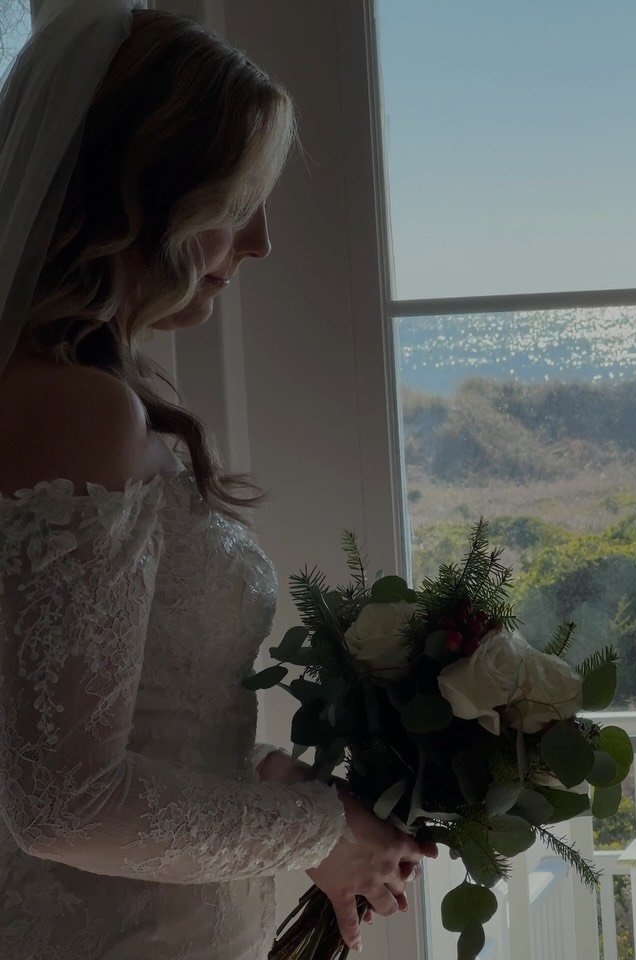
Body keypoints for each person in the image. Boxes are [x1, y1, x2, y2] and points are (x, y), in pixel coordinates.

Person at [0, 2, 437, 958]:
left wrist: (265, 781)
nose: (261, 241)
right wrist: (320, 832)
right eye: (237, 203)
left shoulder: (57, 397)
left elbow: (63, 728)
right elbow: (62, 804)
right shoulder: (79, 412)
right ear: (142, 195)